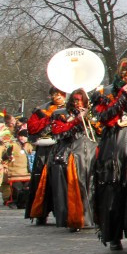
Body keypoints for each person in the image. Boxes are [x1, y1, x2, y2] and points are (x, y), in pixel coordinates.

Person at [91, 60, 127, 252]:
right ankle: (113, 235)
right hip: (113, 146)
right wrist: (122, 97)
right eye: (125, 73)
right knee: (112, 189)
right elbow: (103, 116)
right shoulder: (107, 92)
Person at [45, 88, 97, 231]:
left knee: (92, 184)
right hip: (72, 154)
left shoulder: (92, 112)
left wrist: (91, 119)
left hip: (91, 153)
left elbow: (101, 129)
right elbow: (57, 132)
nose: (77, 103)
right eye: (75, 100)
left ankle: (92, 217)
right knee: (76, 184)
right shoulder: (61, 114)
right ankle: (75, 217)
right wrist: (75, 121)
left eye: (81, 100)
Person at [25, 87, 66, 225]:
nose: (58, 96)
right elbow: (32, 128)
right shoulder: (41, 110)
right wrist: (48, 119)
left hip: (63, 148)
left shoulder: (72, 107)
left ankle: (65, 213)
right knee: (41, 181)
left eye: (61, 94)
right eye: (55, 94)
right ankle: (40, 213)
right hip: (44, 150)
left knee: (62, 180)